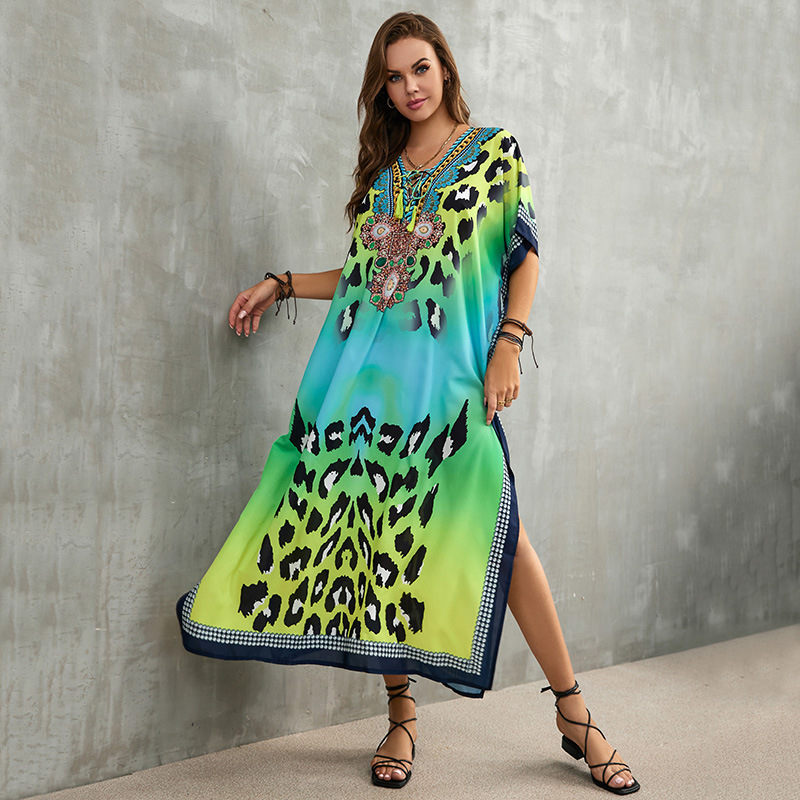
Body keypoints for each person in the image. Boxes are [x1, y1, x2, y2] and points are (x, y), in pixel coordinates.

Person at [177, 11, 639, 795]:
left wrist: (509, 343)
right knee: (377, 541)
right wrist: (283, 284)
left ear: (444, 68)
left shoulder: (494, 154)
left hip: (450, 388)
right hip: (367, 390)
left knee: (505, 537)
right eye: (393, 77)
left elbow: (524, 255)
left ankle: (575, 714)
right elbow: (365, 278)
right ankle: (401, 715)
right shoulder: (384, 176)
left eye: (420, 68)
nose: (409, 87)